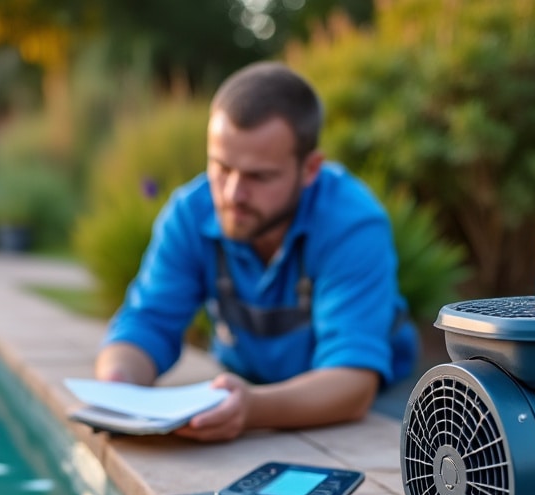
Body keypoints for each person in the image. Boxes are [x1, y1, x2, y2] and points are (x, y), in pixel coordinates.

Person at [94, 61, 420, 442]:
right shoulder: (189, 213)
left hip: (367, 405)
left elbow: (352, 381)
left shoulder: (352, 224)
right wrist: (118, 383)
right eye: (221, 169)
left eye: (259, 176)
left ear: (310, 169)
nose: (233, 195)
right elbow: (145, 325)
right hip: (246, 387)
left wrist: (251, 409)